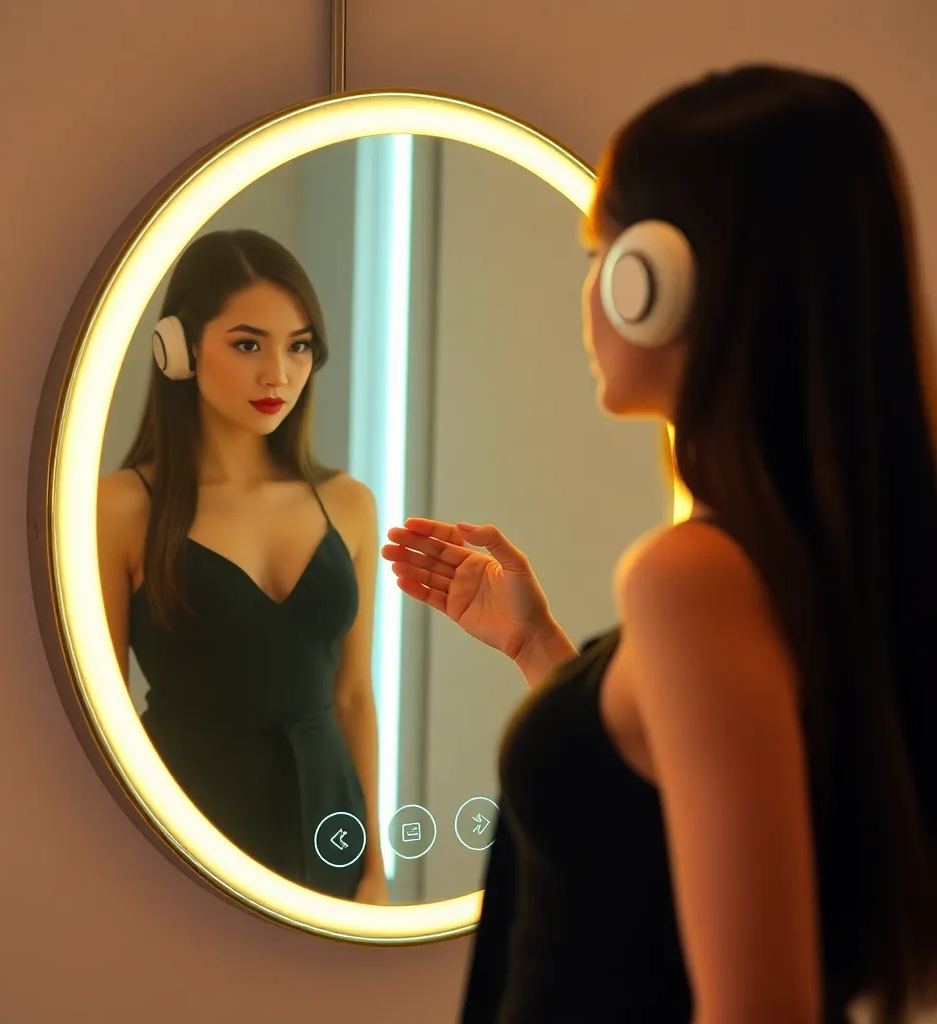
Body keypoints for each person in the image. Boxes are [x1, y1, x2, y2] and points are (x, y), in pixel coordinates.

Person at [382, 65, 937, 1022]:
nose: (591, 286)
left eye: (604, 249)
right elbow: (640, 843)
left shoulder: (694, 578)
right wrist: (542, 654)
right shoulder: (799, 565)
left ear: (660, 283)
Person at [97, 228, 388, 904]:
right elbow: (97, 718)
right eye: (249, 344)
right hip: (185, 823)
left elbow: (352, 696)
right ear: (179, 349)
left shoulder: (349, 504)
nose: (278, 374)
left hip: (329, 822)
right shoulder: (121, 507)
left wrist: (374, 869)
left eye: (299, 347)